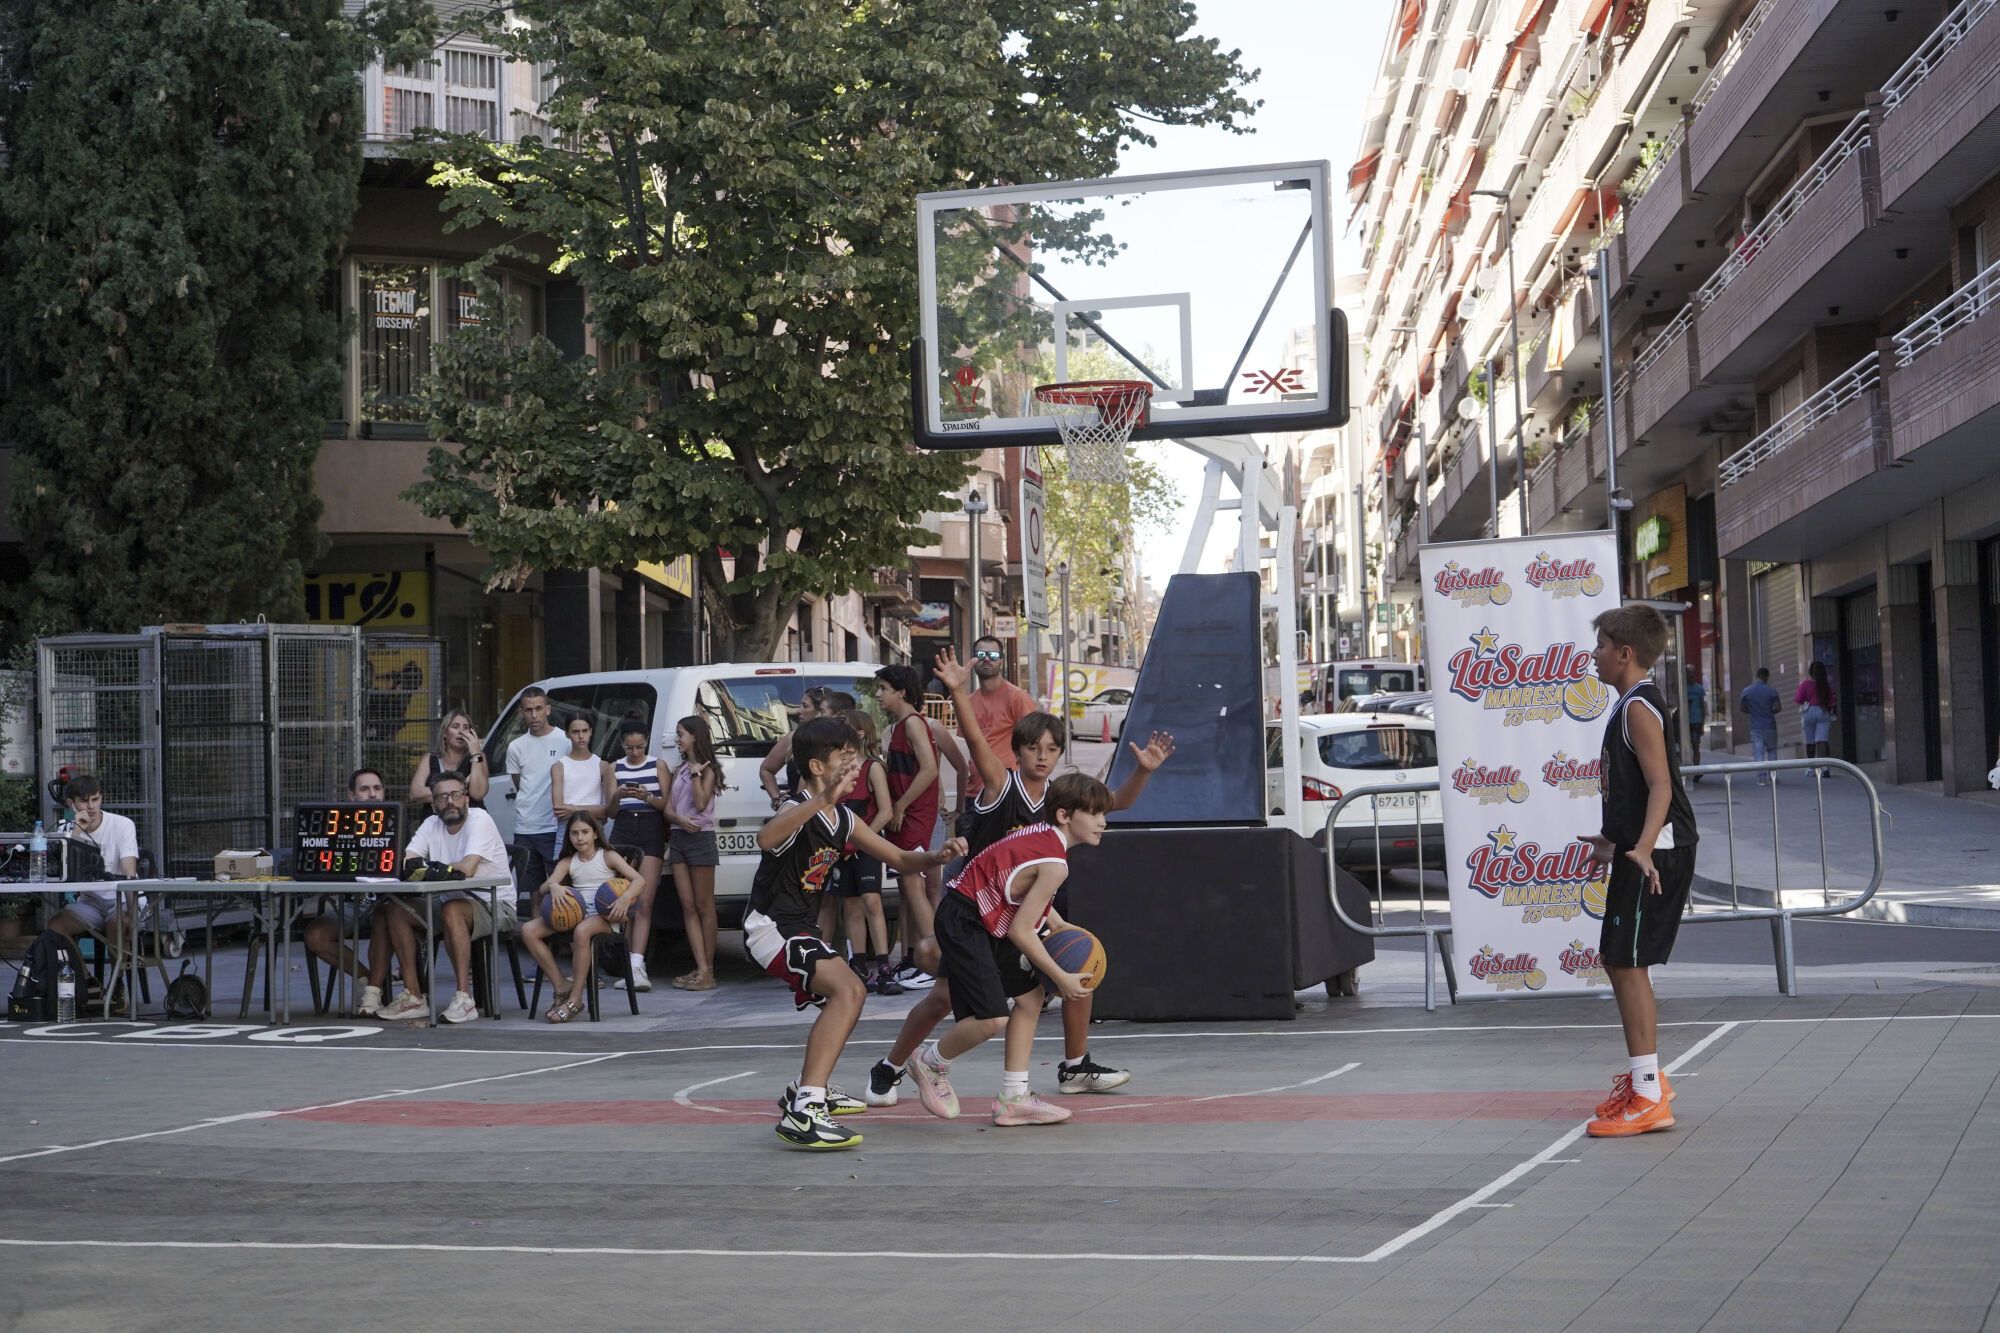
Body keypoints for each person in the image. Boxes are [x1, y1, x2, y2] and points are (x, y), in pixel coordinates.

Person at [868, 646, 1174, 1107]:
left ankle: (1069, 1068)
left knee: (1072, 962)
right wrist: (958, 692)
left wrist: (1143, 772)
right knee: (945, 998)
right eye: (1034, 748)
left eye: (1051, 749)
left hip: (1020, 904)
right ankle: (892, 1066)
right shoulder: (1000, 784)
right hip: (980, 905)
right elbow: (975, 743)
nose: (1043, 756)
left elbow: (1115, 802)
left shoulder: (1062, 799)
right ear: (1018, 749)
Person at [746, 714, 964, 1149]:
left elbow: (899, 859)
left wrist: (936, 857)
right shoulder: (796, 809)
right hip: (772, 927)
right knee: (849, 991)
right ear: (817, 767)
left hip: (801, 927)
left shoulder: (843, 819)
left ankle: (805, 1089)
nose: (855, 767)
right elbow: (766, 839)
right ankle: (806, 1110)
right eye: (845, 759)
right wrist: (821, 798)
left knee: (848, 995)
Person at [901, 772, 1113, 1127]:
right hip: (967, 921)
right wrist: (1061, 977)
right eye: (1094, 813)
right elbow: (1021, 932)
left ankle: (1014, 1098)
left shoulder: (1041, 835)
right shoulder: (1055, 864)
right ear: (1064, 815)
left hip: (976, 914)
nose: (1102, 822)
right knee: (991, 1019)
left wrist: (1059, 925)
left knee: (1030, 998)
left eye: (1103, 814)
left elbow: (1019, 885)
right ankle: (930, 1061)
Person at [1579, 605, 1699, 1138]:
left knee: (1626, 964)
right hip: (1639, 849)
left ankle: (1648, 1095)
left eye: (1602, 645)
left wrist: (1644, 847)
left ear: (1625, 653)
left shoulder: (1639, 708)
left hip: (1656, 853)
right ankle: (1649, 1082)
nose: (1595, 654)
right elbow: (1634, 790)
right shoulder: (1629, 705)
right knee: (1621, 963)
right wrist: (1614, 839)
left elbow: (1661, 785)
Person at [393, 772, 514, 1023]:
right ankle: (414, 996)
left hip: (495, 904)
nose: (450, 801)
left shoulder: (480, 819)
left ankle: (464, 999)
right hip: (448, 900)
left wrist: (424, 869)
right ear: (433, 804)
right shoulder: (431, 823)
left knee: (453, 910)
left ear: (466, 798)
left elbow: (467, 868)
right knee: (395, 911)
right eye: (442, 797)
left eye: (456, 794)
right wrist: (431, 869)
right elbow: (404, 863)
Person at [520, 811, 644, 1023]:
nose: (579, 837)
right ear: (568, 836)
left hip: (605, 915)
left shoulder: (607, 856)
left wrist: (626, 898)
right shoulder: (568, 861)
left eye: (585, 832)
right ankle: (561, 985)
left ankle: (575, 998)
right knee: (528, 930)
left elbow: (639, 880)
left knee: (582, 931)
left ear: (595, 834)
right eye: (574, 833)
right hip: (575, 913)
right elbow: (543, 888)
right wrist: (554, 886)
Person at [825, 708, 897, 992]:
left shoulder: (873, 767)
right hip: (841, 847)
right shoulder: (838, 769)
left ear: (859, 734)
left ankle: (884, 965)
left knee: (872, 900)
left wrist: (862, 839)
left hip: (865, 845)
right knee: (850, 904)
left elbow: (886, 810)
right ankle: (858, 963)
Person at [608, 724, 670, 992]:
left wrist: (647, 796)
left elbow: (666, 805)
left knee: (644, 901)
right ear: (622, 745)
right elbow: (610, 812)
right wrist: (618, 795)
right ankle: (627, 964)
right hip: (623, 827)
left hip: (650, 827)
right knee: (624, 899)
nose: (634, 752)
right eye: (629, 747)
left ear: (646, 743)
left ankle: (637, 964)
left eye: (640, 747)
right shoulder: (615, 767)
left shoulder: (658, 765)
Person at [665, 715, 724, 991]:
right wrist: (679, 819)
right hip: (679, 837)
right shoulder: (679, 769)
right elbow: (668, 808)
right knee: (687, 905)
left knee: (704, 905)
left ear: (695, 736)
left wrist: (697, 774)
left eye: (681, 734)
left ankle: (707, 970)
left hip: (700, 838)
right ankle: (700, 967)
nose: (677, 739)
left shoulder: (708, 769)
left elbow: (700, 804)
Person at [46, 774, 141, 944]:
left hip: (122, 900)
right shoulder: (66, 830)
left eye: (95, 799)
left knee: (116, 924)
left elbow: (129, 874)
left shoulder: (123, 824)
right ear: (71, 803)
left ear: (101, 798)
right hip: (90, 903)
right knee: (55, 926)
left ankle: (118, 964)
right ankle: (78, 964)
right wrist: (76, 832)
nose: (91, 806)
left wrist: (132, 914)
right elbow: (62, 872)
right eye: (84, 801)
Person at [505, 687, 569, 911]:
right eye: (528, 710)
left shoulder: (565, 740)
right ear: (521, 712)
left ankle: (561, 935)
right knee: (534, 895)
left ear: (548, 710)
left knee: (561, 891)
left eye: (539, 709)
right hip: (525, 829)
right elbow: (520, 784)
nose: (534, 715)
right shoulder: (515, 747)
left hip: (554, 827)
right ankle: (536, 931)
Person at [958, 635, 1037, 801]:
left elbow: (1034, 743)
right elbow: (967, 746)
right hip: (974, 792)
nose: (986, 659)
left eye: (993, 655)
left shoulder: (1017, 697)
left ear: (1001, 660)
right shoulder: (968, 702)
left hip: (1008, 791)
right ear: (972, 660)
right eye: (981, 655)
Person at [550, 716, 614, 856]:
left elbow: (608, 810)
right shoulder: (559, 767)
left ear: (590, 731)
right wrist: (595, 809)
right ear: (567, 734)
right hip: (568, 830)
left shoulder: (603, 766)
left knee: (597, 867)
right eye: (575, 731)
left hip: (595, 829)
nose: (581, 736)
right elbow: (559, 810)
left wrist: (574, 809)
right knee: (565, 868)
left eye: (584, 731)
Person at [759, 686, 830, 808]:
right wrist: (778, 800)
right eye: (800, 705)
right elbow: (766, 769)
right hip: (796, 812)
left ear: (821, 711)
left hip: (827, 810)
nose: (799, 711)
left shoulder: (838, 741)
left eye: (805, 706)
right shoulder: (793, 738)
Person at [411, 710, 489, 808]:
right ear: (444, 733)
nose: (461, 732)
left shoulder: (478, 757)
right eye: (455, 727)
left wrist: (476, 753)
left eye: (466, 728)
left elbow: (478, 794)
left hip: (470, 816)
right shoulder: (430, 759)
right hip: (435, 816)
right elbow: (415, 793)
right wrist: (459, 792)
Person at [1739, 667, 1782, 784]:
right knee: (1772, 751)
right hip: (1770, 726)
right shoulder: (1772, 691)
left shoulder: (1746, 691)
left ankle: (1761, 777)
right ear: (1766, 677)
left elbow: (1742, 707)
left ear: (1756, 676)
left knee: (1759, 752)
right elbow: (1778, 708)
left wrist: (1752, 711)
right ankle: (1773, 776)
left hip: (1755, 727)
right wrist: (1769, 712)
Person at [1797, 661, 1836, 775]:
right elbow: (1831, 702)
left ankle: (1811, 768)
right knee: (1823, 740)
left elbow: (1798, 699)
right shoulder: (1825, 685)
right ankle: (1826, 767)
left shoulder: (1806, 684)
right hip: (1823, 711)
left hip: (1809, 711)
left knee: (1810, 741)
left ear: (1810, 672)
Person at [1683, 671, 1706, 773]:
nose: (1691, 676)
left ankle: (1696, 768)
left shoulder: (1699, 689)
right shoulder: (1683, 688)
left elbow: (1703, 706)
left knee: (1695, 745)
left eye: (1692, 674)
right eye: (1689, 674)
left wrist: (1702, 724)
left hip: (1696, 721)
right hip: (1684, 722)